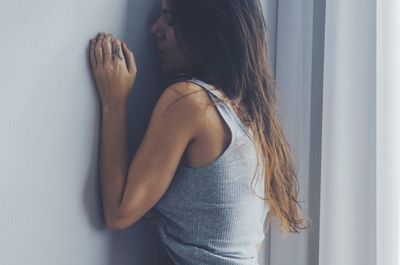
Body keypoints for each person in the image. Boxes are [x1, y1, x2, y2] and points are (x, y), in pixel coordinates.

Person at [88, 0, 311, 264]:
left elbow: (118, 212)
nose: (155, 29)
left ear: (207, 30)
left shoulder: (189, 100)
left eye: (170, 20)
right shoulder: (249, 119)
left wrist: (114, 102)